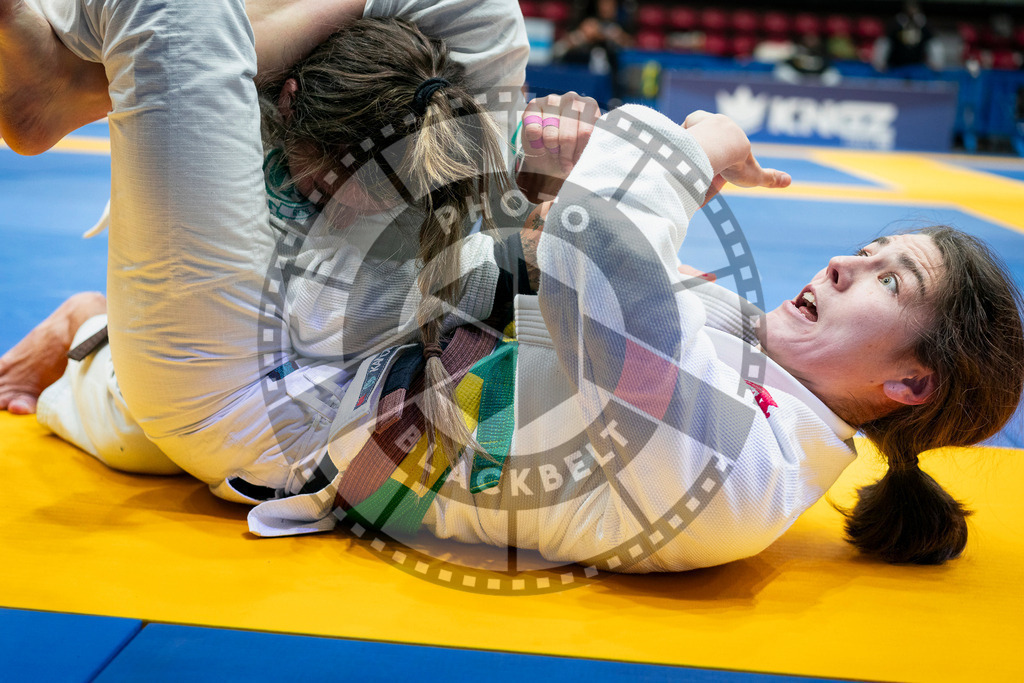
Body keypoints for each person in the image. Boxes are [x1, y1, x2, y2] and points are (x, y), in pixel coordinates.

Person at [249, 105, 1024, 572]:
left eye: (892, 281)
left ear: (911, 383)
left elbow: (608, 264)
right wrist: (543, 189)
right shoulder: (736, 349)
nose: (844, 262)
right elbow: (556, 293)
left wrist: (692, 149)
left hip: (285, 411)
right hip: (350, 332)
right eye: (869, 251)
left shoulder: (743, 466)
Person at [0, 0, 571, 498]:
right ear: (288, 103)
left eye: (367, 205)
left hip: (242, 365)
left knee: (141, 439)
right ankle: (67, 88)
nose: (341, 213)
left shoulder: (437, 138)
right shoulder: (241, 95)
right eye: (327, 187)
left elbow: (322, 330)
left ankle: (86, 322)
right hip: (209, 307)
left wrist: (543, 194)